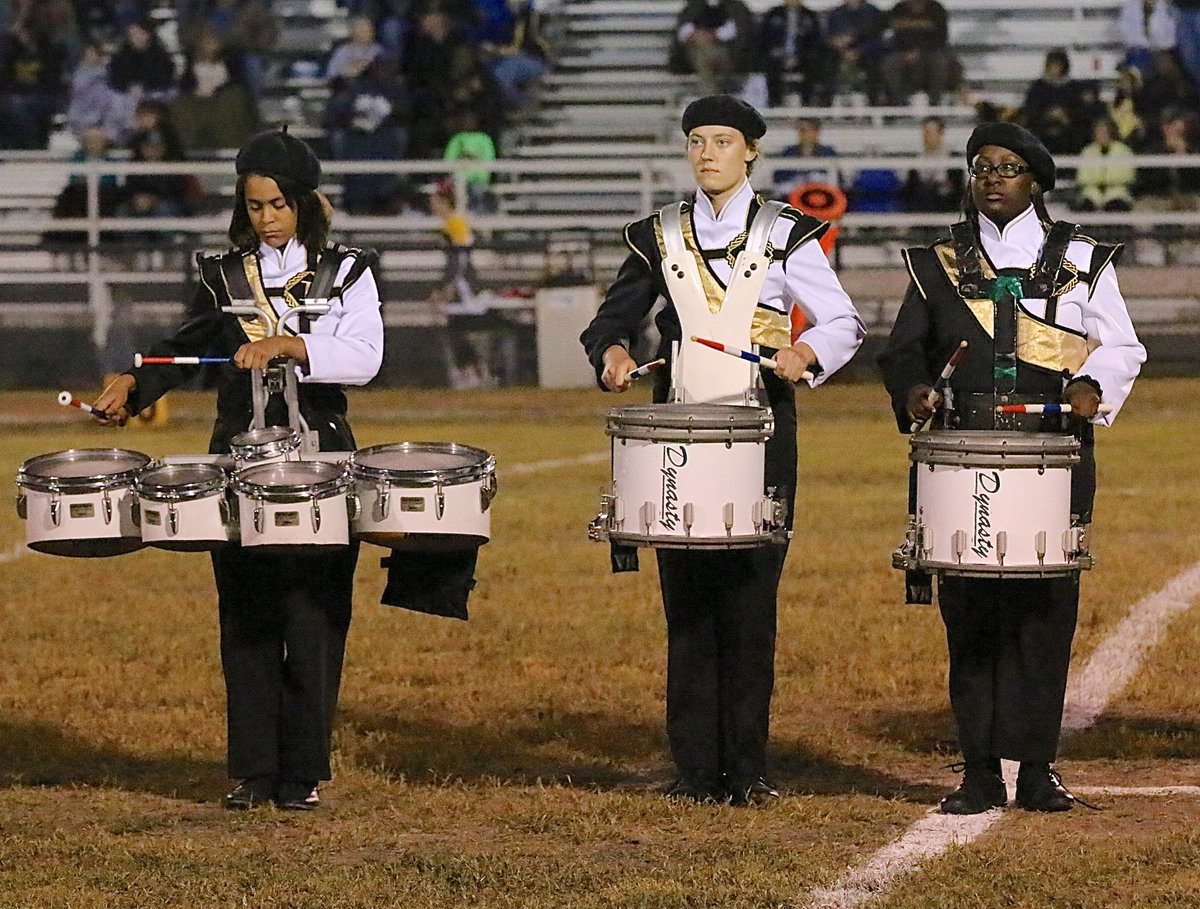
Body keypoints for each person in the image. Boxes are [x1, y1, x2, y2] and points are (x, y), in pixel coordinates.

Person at [579, 95, 864, 805]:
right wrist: (613, 352)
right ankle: (696, 768)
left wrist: (806, 348)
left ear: (752, 152)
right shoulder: (660, 233)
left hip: (762, 429)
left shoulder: (789, 233)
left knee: (749, 598)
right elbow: (612, 320)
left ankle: (749, 764)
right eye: (697, 141)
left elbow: (843, 320)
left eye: (723, 141)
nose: (708, 153)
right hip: (677, 435)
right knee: (686, 601)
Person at [90, 128, 385, 811]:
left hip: (323, 456)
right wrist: (134, 385)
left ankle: (302, 773)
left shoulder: (349, 270)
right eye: (254, 205)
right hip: (238, 454)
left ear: (305, 203)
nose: (265, 217)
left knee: (313, 615)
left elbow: (366, 355)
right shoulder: (222, 274)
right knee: (247, 614)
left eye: (277, 204)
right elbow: (182, 348)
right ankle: (254, 772)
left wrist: (291, 342)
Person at [878, 122, 1145, 814]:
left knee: (1043, 615)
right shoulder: (937, 260)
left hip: (1054, 451)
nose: (992, 178)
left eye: (1008, 167)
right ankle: (977, 769)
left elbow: (1122, 345)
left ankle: (1035, 766)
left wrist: (1092, 385)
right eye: (981, 168)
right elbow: (903, 351)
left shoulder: (1082, 256)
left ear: (1036, 181)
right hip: (960, 455)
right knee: (969, 617)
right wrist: (912, 390)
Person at [879, 0, 962, 106]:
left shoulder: (936, 9)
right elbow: (892, 34)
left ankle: (935, 102)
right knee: (890, 63)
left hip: (931, 51)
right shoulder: (898, 9)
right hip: (903, 52)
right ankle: (897, 102)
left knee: (939, 62)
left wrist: (920, 51)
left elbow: (940, 38)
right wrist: (906, 52)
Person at [759, 0, 831, 107]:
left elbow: (816, 42)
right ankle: (775, 102)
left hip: (802, 57)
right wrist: (779, 54)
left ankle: (806, 103)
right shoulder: (773, 14)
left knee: (813, 65)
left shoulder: (809, 15)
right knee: (770, 67)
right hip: (777, 56)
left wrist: (799, 56)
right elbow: (763, 39)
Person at [900, 115, 963, 213]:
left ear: (941, 134)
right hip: (922, 203)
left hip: (947, 202)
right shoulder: (916, 160)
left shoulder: (954, 158)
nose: (926, 137)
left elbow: (958, 187)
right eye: (925, 133)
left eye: (930, 133)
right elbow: (910, 189)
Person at [1074, 116, 1136, 212]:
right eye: (1098, 132)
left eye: (1104, 132)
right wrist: (1098, 182)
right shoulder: (1088, 151)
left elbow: (1128, 176)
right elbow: (1081, 176)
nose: (1101, 135)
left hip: (1117, 192)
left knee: (1115, 206)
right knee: (1086, 206)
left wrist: (1108, 181)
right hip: (1092, 193)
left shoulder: (1123, 150)